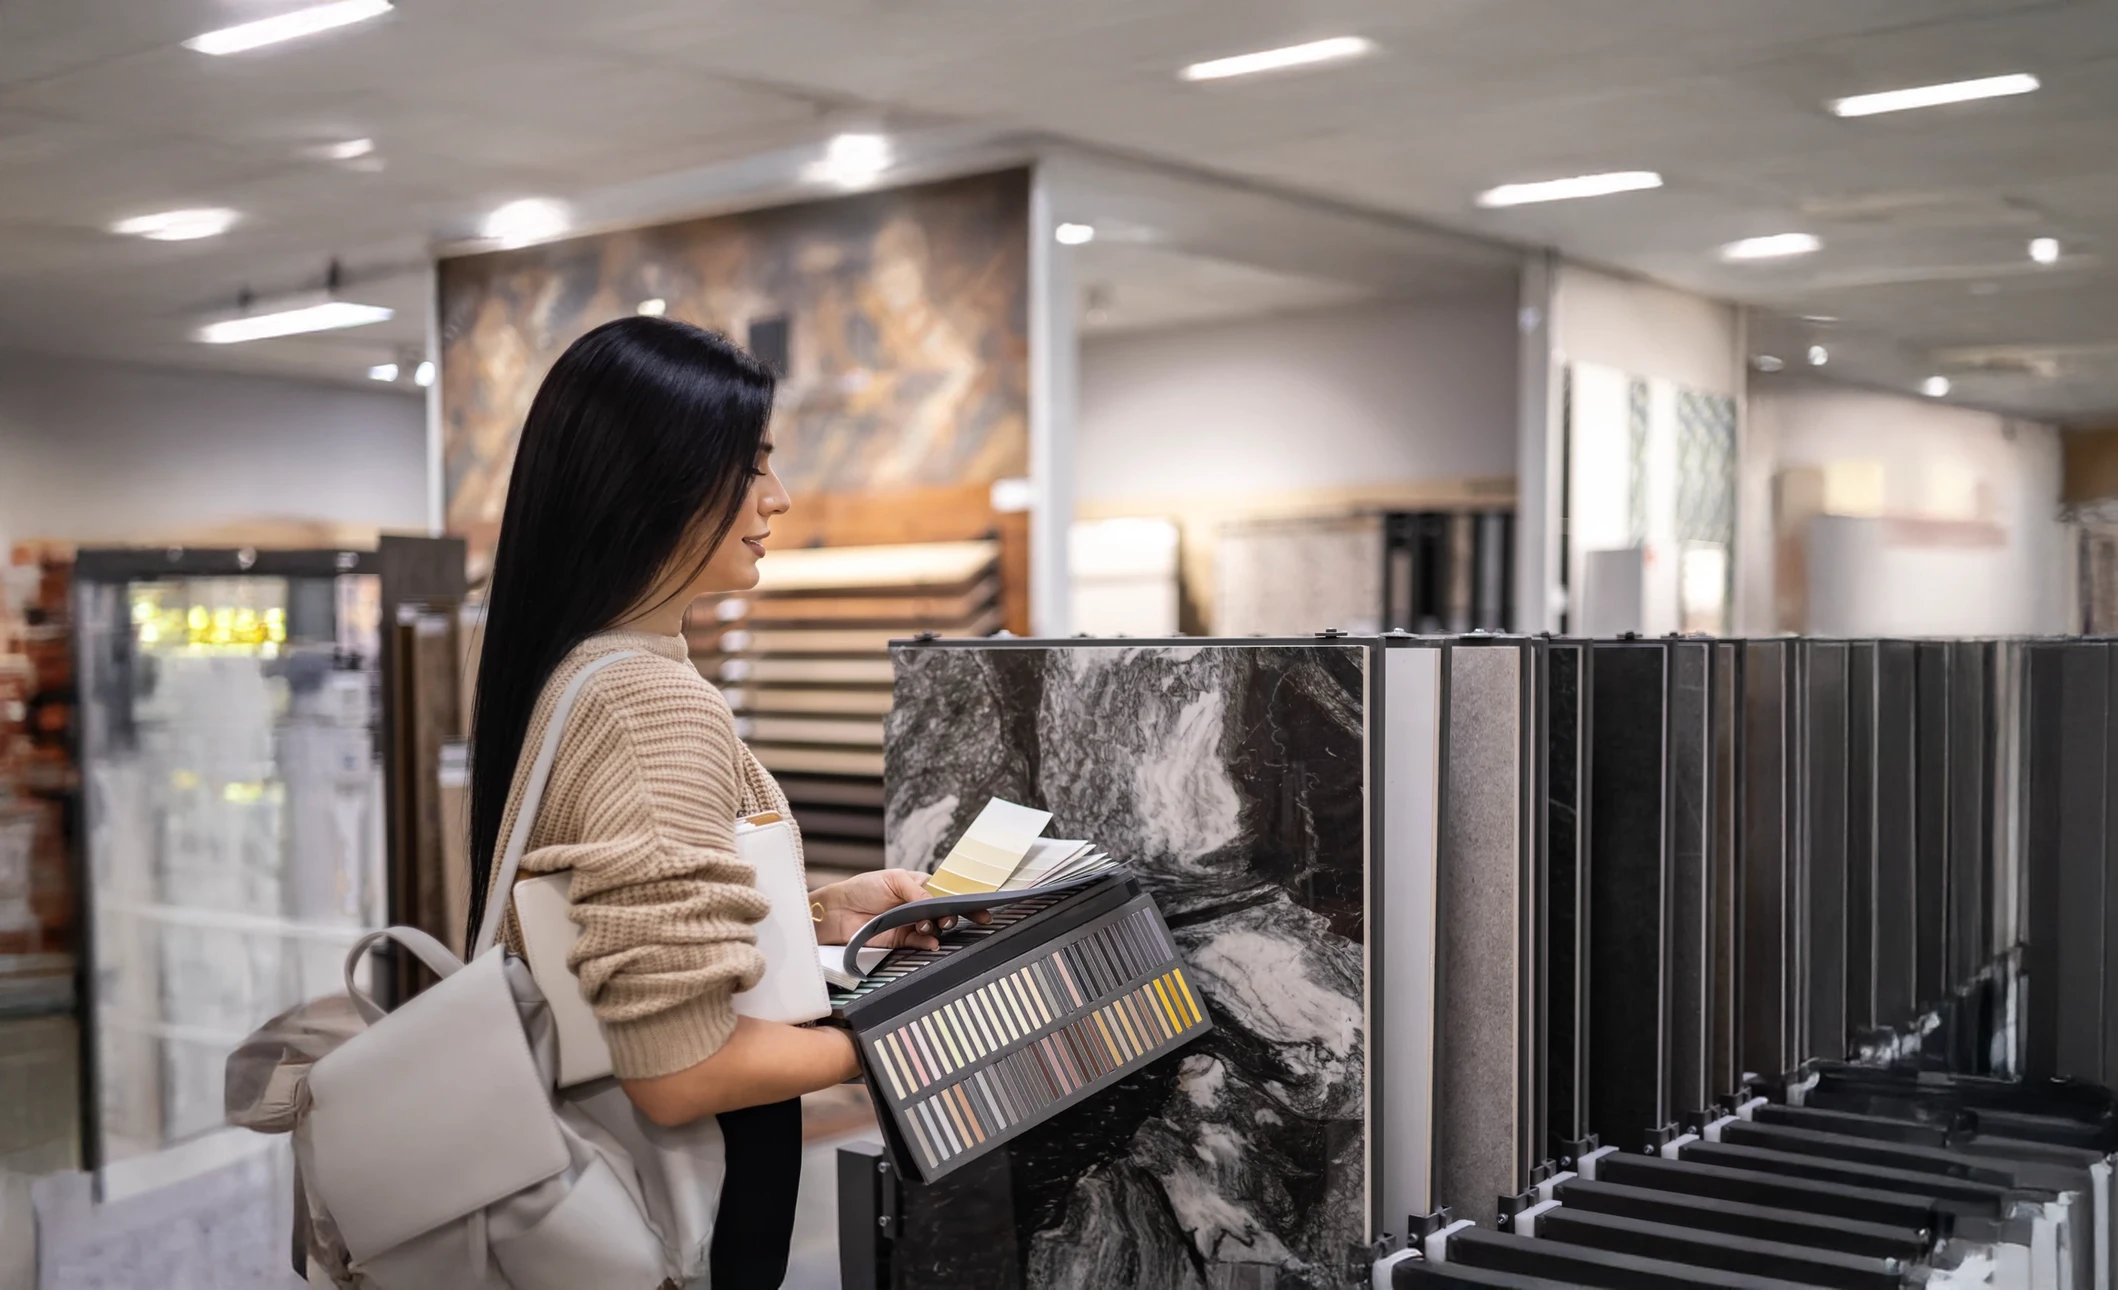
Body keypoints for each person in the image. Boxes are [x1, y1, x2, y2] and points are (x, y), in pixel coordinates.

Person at [465, 315, 976, 1287]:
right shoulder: (646, 700)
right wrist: (898, 1036)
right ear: (653, 480)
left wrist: (817, 913)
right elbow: (679, 1068)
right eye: (750, 467)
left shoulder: (584, 669)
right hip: (677, 1241)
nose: (776, 497)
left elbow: (614, 927)